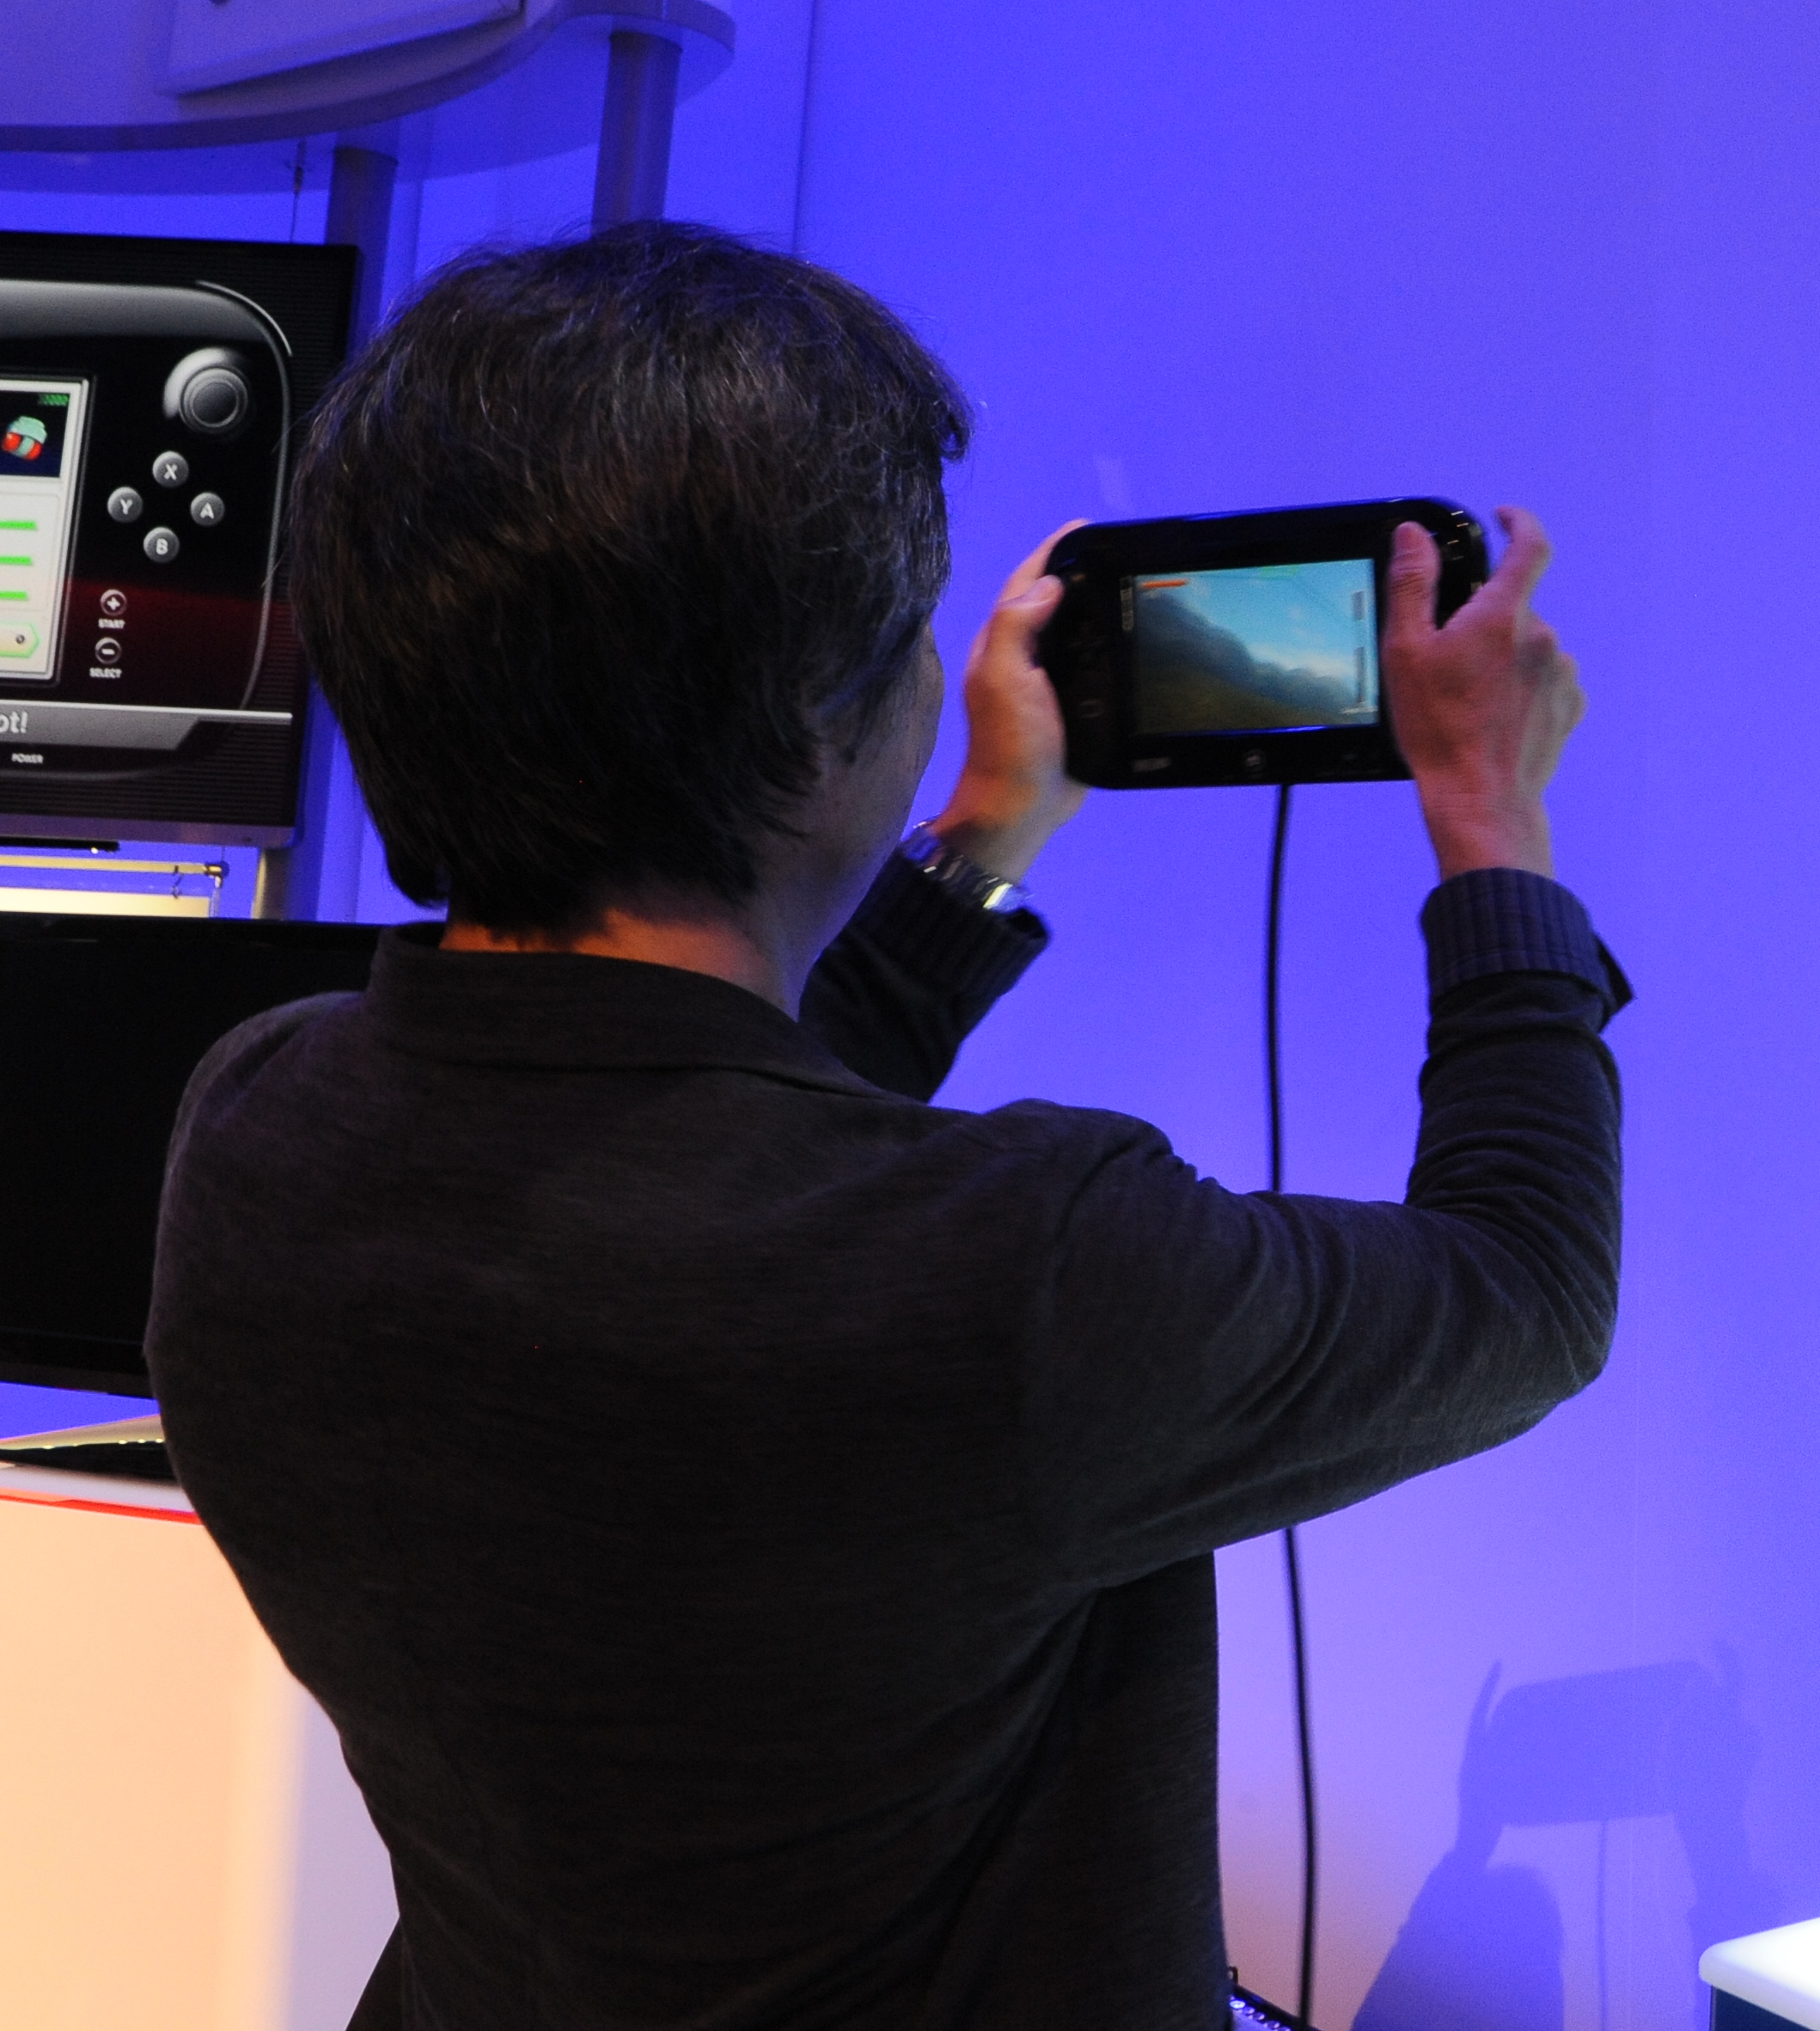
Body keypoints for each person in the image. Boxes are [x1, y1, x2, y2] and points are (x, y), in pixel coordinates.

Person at [147, 224, 1625, 2029]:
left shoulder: (261, 1129)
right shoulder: (1029, 1274)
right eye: (908, 632)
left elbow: (693, 1133)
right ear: (815, 726)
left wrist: (985, 832)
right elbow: (1528, 1287)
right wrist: (1491, 826)